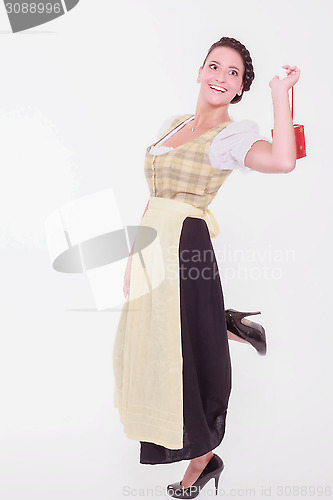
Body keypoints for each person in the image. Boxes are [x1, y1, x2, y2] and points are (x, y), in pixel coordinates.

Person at [113, 36, 300, 498]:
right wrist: (134, 257)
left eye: (232, 73)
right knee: (157, 346)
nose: (220, 77)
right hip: (155, 240)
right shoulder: (173, 125)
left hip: (185, 242)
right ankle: (225, 324)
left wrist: (281, 95)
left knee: (185, 351)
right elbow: (152, 198)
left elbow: (282, 159)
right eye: (214, 67)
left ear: (240, 89)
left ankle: (203, 454)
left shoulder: (231, 137)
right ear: (199, 71)